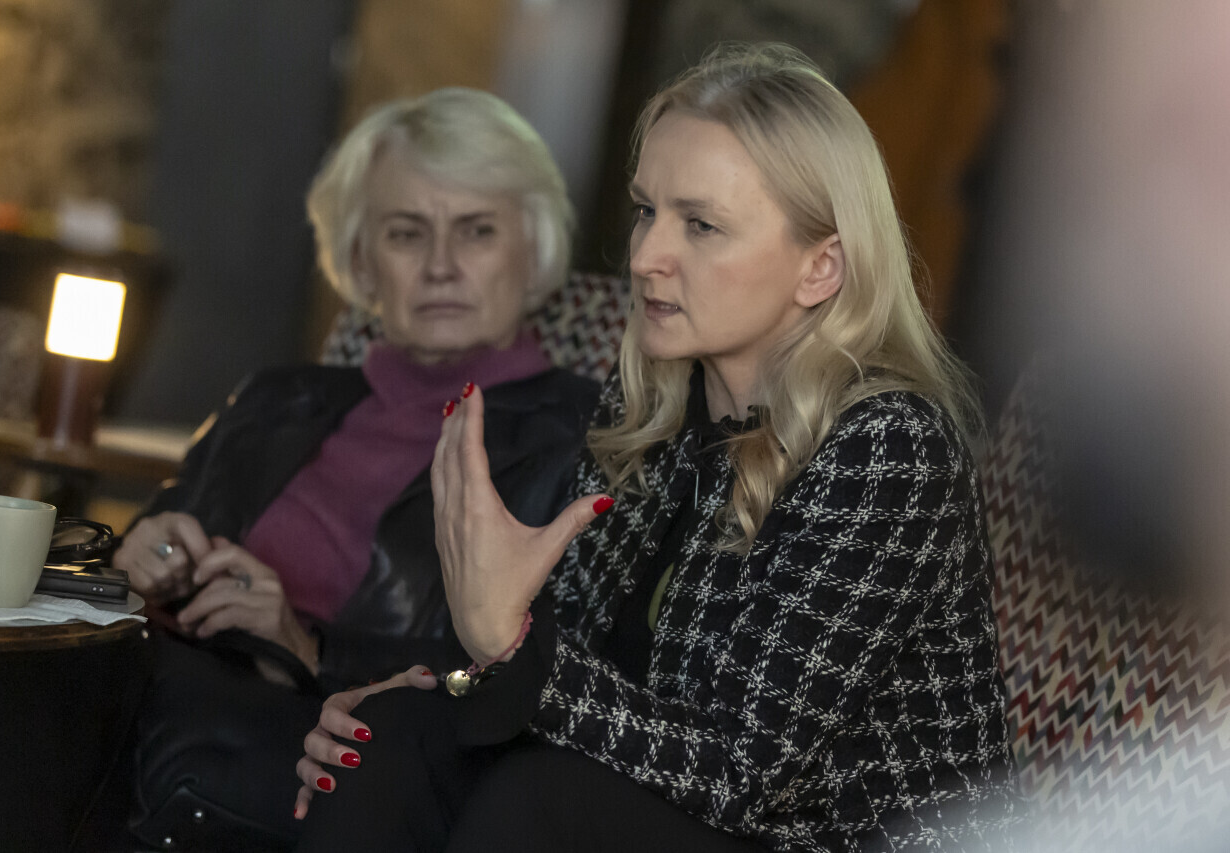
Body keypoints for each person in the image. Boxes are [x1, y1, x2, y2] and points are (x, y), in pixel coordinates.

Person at [292, 43, 1019, 851]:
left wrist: (513, 652)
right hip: (658, 806)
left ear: (821, 267)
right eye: (646, 211)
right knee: (390, 736)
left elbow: (742, 770)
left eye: (700, 225)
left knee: (548, 798)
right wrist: (451, 682)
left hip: (824, 837)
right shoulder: (657, 405)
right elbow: (575, 666)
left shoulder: (889, 447)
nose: (643, 258)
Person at [115, 88, 600, 850]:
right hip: (161, 691)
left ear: (533, 250)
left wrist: (304, 645)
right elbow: (146, 549)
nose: (440, 265)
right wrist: (143, 557)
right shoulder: (278, 396)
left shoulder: (587, 436)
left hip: (332, 756)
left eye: (476, 231)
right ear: (363, 263)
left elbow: (548, 679)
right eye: (406, 233)